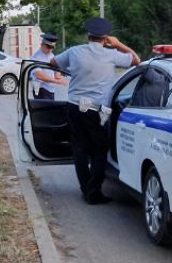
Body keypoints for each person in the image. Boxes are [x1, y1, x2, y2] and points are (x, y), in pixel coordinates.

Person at [51, 17, 140, 205]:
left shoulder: (74, 51)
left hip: (74, 106)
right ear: (105, 38)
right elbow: (136, 60)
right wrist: (118, 44)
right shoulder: (111, 55)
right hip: (98, 109)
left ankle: (86, 189)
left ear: (88, 35)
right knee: (100, 149)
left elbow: (53, 62)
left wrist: (72, 70)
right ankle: (93, 192)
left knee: (80, 149)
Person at [29, 33, 66, 100]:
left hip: (50, 89)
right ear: (42, 44)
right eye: (48, 47)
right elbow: (39, 75)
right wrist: (56, 81)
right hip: (41, 89)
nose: (50, 50)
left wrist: (57, 74)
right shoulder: (36, 57)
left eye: (52, 48)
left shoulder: (51, 55)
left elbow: (56, 67)